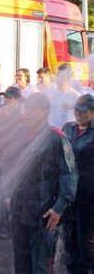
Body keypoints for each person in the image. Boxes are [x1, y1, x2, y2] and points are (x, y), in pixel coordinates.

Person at [10, 93, 77, 274]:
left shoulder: (58, 138)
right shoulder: (19, 135)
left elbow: (69, 175)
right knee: (21, 264)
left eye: (33, 109)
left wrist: (59, 207)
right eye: (26, 109)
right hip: (19, 213)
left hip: (43, 215)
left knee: (40, 266)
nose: (27, 113)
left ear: (45, 111)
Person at [63, 94, 94, 274]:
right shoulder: (68, 128)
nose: (78, 114)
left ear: (92, 112)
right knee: (69, 237)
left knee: (84, 238)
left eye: (83, 111)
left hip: (87, 194)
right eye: (76, 110)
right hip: (69, 193)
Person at [0, 86, 24, 239]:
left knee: (7, 195)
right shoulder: (1, 115)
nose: (6, 100)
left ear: (17, 100)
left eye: (10, 97)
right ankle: (0, 224)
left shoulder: (21, 118)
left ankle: (9, 227)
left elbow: (18, 143)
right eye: (5, 97)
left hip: (10, 161)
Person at [49, 64, 81, 129]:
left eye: (61, 76)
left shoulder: (75, 96)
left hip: (66, 134)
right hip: (52, 131)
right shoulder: (51, 92)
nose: (58, 78)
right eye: (57, 75)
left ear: (68, 77)